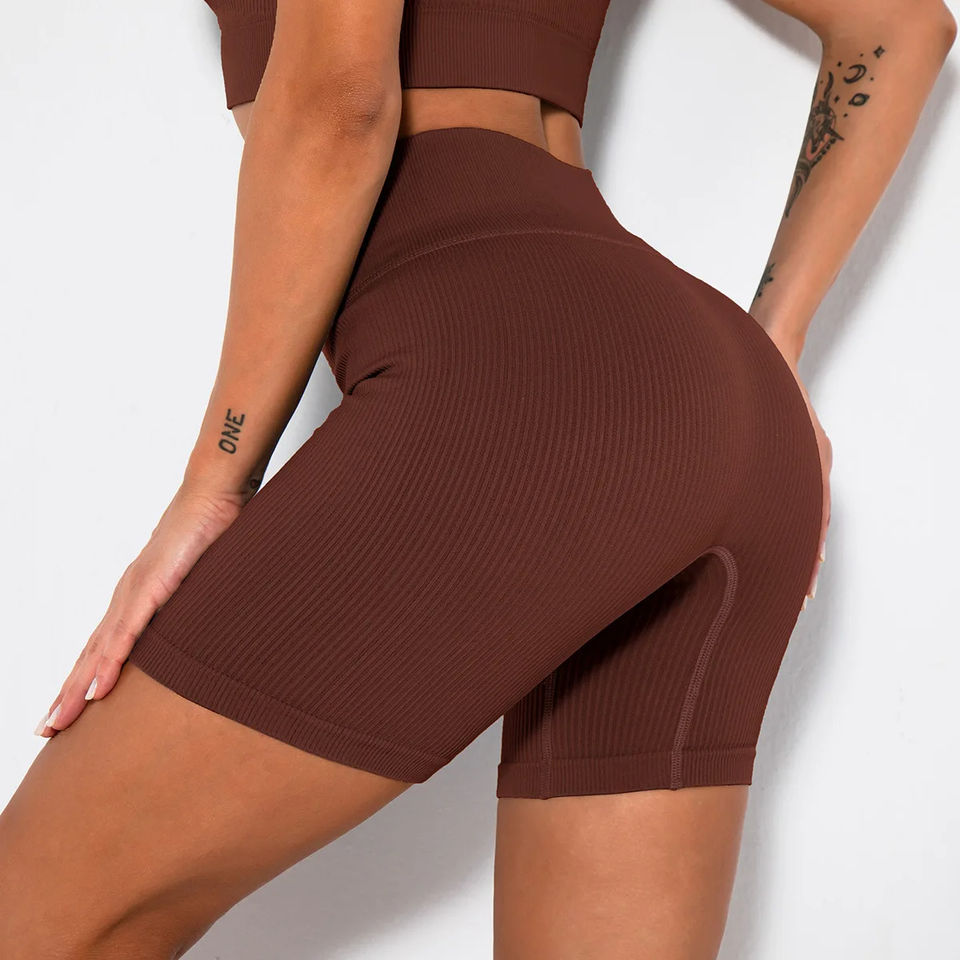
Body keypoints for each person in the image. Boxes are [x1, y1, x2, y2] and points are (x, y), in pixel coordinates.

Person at [1, 0, 955, 956]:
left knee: (39, 916)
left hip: (516, 379)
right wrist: (771, 348)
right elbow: (903, 27)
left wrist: (216, 478)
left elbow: (339, 101)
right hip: (710, 395)